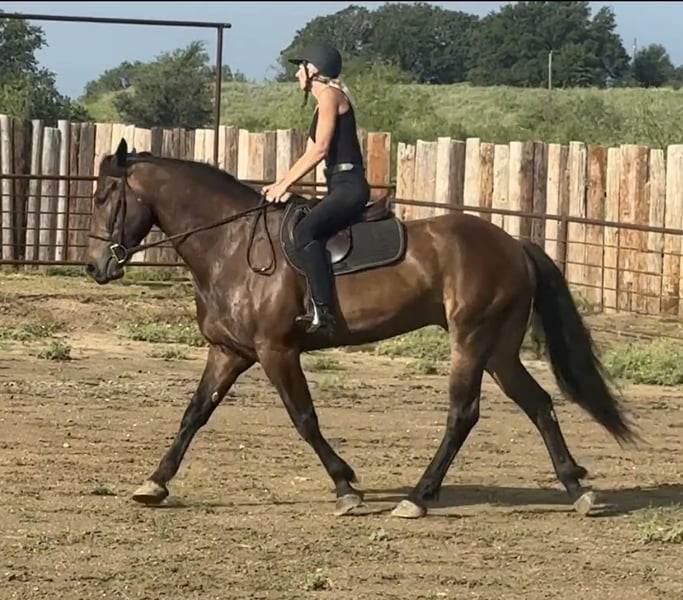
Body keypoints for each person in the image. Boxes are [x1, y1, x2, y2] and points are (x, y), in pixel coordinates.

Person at [262, 42, 370, 335]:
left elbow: (320, 150)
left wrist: (285, 184)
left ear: (313, 69)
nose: (296, 74)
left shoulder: (331, 96)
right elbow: (308, 153)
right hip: (338, 185)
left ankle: (324, 310)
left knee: (305, 232)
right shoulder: (322, 104)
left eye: (300, 67)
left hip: (349, 187)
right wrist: (279, 184)